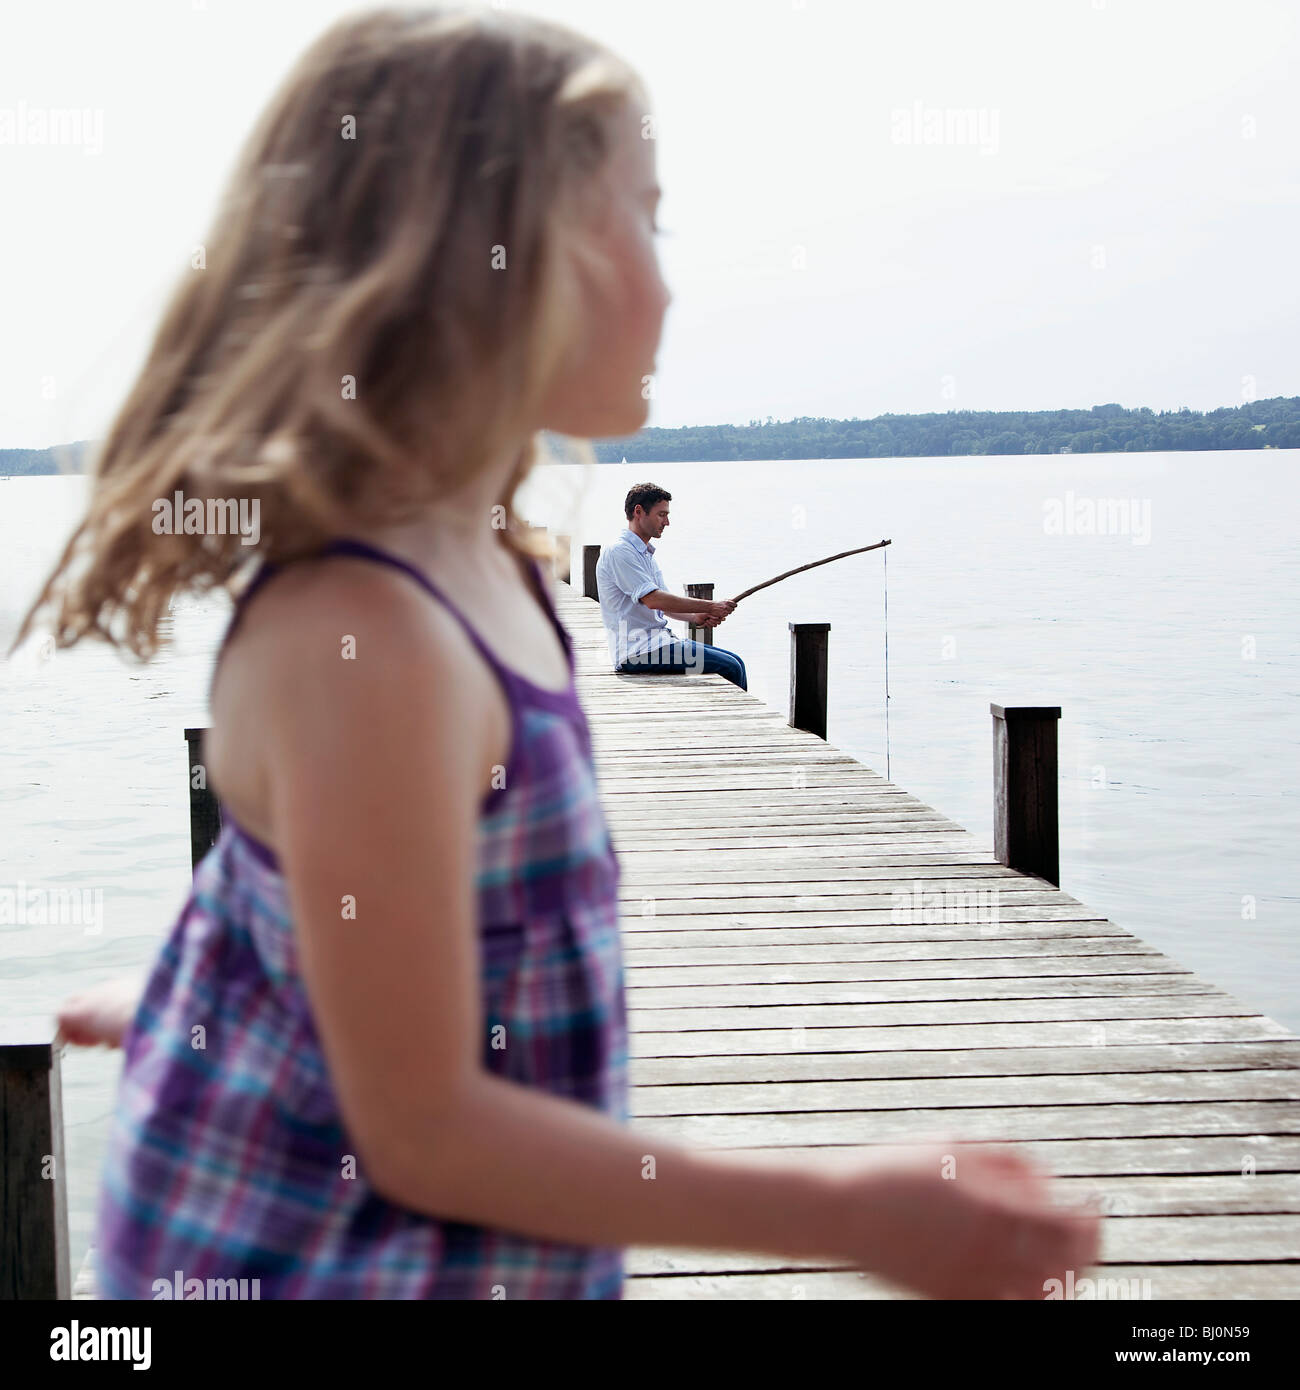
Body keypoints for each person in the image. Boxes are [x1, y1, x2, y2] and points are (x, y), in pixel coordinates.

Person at [27, 7, 1099, 1300]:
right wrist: (846, 1207)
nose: (671, 272)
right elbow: (419, 1127)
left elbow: (397, 895)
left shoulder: (502, 567)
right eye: (644, 217)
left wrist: (227, 980)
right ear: (500, 262)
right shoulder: (370, 636)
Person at [595, 483, 748, 689]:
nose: (667, 522)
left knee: (736, 661)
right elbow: (653, 599)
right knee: (731, 668)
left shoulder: (643, 553)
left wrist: (695, 617)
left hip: (657, 644)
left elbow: (663, 605)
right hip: (638, 651)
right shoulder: (620, 552)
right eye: (661, 515)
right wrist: (711, 606)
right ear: (639, 511)